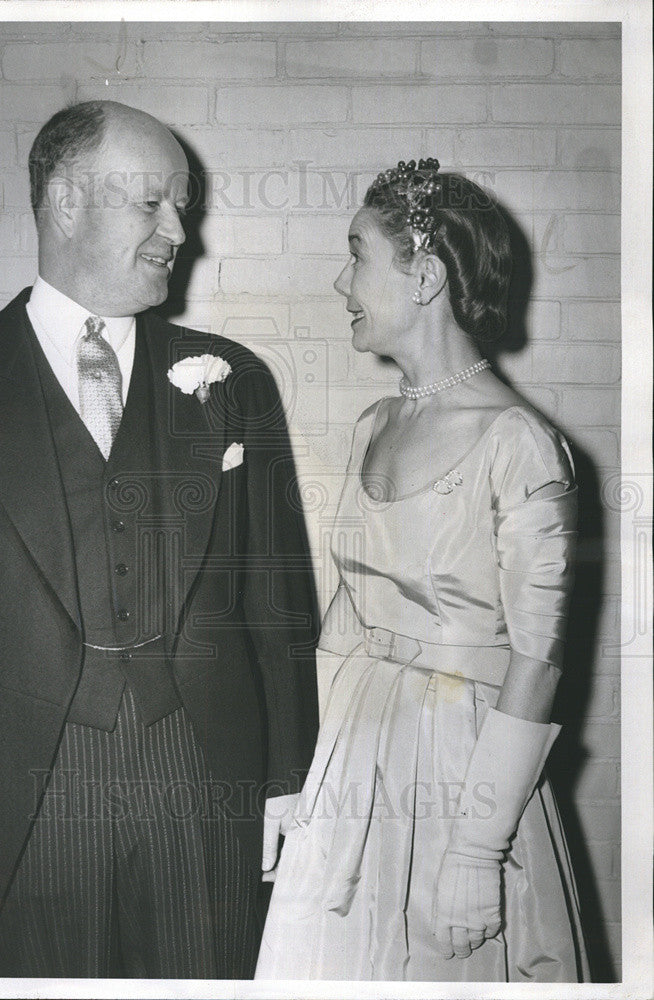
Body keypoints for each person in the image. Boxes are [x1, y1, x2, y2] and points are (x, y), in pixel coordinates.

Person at [0, 100, 318, 979]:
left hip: (204, 784)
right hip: (14, 803)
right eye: (151, 203)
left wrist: (287, 784)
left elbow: (280, 606)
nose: (178, 231)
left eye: (182, 205)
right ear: (66, 201)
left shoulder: (234, 381)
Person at [255, 159, 589, 982]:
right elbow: (346, 621)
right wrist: (303, 776)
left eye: (357, 254)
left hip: (464, 770)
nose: (342, 282)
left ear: (426, 276)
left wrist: (480, 846)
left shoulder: (520, 442)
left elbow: (538, 659)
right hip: (353, 756)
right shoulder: (375, 424)